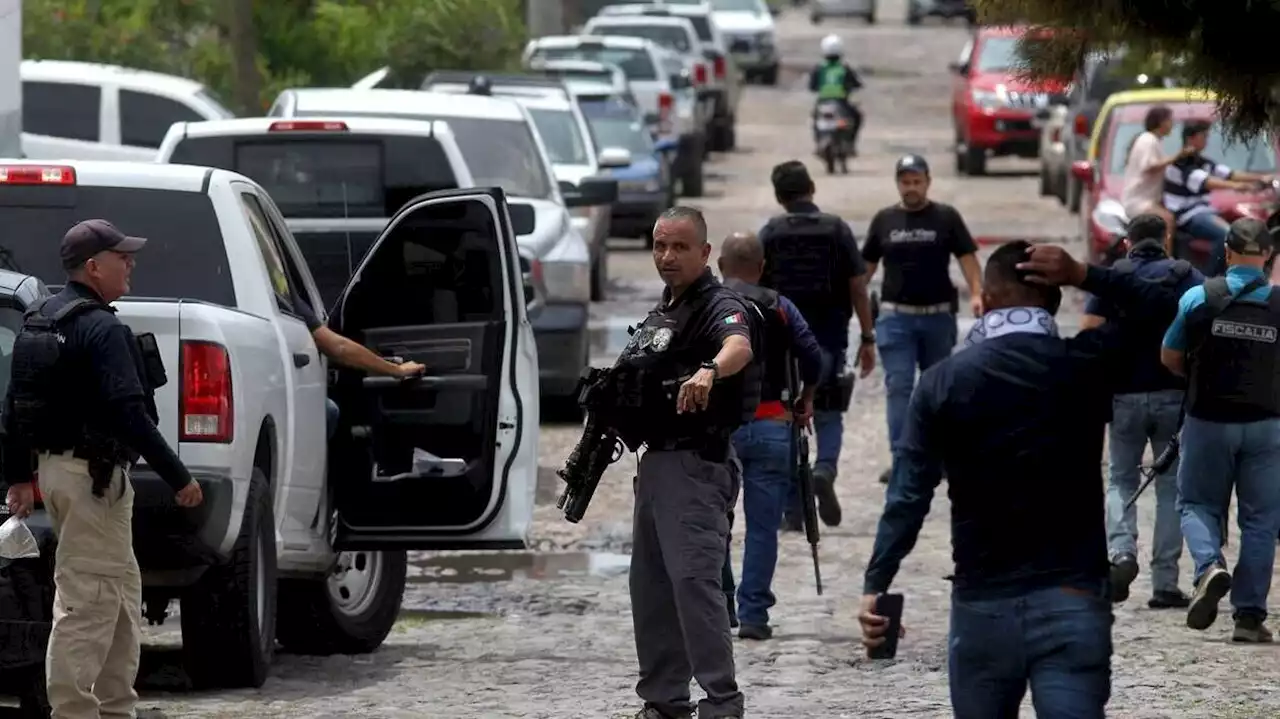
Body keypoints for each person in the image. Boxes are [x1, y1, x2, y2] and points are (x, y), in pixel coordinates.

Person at [858, 240, 1186, 718]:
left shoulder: (943, 382)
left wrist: (876, 581)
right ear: (1055, 300)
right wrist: (1084, 274)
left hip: (982, 603)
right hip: (1072, 597)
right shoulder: (1084, 364)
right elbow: (1167, 307)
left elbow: (908, 494)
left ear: (985, 301)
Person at [1, 219, 204, 719]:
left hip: (62, 475)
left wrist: (20, 477)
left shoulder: (40, 320)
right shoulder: (102, 327)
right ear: (93, 267)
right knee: (88, 601)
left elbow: (14, 406)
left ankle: (115, 708)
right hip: (92, 481)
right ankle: (73, 710)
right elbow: (131, 416)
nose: (130, 263)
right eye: (121, 257)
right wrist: (179, 477)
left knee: (117, 597)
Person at [623, 207, 756, 719]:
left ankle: (721, 702)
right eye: (659, 245)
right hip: (655, 467)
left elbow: (737, 346)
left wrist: (708, 372)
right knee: (651, 591)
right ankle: (664, 702)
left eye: (679, 247)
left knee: (695, 586)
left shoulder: (719, 304)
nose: (666, 256)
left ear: (705, 252)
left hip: (697, 468)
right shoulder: (665, 310)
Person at [1160, 217, 1280, 643]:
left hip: (1208, 420)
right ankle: (1248, 617)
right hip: (1266, 426)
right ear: (1267, 255)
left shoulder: (1198, 297)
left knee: (1195, 504)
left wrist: (1194, 375)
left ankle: (1210, 565)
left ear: (1226, 252)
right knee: (1262, 521)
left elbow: (1170, 355)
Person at [1082, 213, 1204, 609]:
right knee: (1171, 487)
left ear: (1128, 241)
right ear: (1165, 238)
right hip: (1173, 393)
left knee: (1119, 479)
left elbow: (1089, 329)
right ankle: (1165, 582)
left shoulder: (1113, 275)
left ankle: (1121, 554)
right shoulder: (1186, 275)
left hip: (1123, 395)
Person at [716, 231, 823, 641]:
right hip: (773, 423)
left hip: (718, 431)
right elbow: (813, 358)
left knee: (716, 523)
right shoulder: (780, 306)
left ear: (721, 266)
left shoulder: (706, 303)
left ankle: (722, 604)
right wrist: (807, 398)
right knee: (763, 527)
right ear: (761, 268)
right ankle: (755, 613)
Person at [757, 160, 874, 529]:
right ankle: (824, 469)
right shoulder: (836, 229)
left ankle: (793, 509)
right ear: (812, 188)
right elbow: (858, 286)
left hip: (783, 344)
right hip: (829, 339)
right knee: (828, 413)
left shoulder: (771, 233)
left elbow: (758, 290)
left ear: (779, 196)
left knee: (788, 418)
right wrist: (868, 336)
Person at [861, 154, 982, 484]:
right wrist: (854, 304)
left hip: (938, 317)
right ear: (897, 183)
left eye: (917, 181)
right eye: (905, 181)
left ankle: (935, 455)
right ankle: (904, 457)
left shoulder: (946, 217)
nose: (911, 187)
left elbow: (967, 258)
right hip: (894, 319)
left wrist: (976, 292)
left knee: (937, 389)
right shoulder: (885, 220)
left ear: (928, 182)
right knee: (898, 386)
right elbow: (865, 267)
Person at [1163, 119, 1274, 274]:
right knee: (1227, 235)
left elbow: (1229, 173)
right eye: (1204, 136)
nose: (1206, 141)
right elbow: (1207, 182)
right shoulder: (1180, 163)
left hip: (1204, 211)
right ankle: (1209, 279)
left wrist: (1260, 178)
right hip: (1188, 215)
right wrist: (1239, 187)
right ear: (1191, 138)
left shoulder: (1201, 161)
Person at [1119, 105, 1187, 253]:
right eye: (1169, 120)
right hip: (1139, 202)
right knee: (1167, 220)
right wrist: (1177, 156)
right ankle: (1165, 257)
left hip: (1148, 201)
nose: (1172, 125)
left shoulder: (1153, 141)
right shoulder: (1148, 140)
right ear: (1161, 122)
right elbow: (1149, 166)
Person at [808, 34, 864, 155]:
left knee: (815, 120)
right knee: (857, 117)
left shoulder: (819, 68)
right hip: (841, 102)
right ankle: (851, 143)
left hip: (822, 102)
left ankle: (818, 143)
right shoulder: (844, 68)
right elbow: (856, 83)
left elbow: (812, 86)